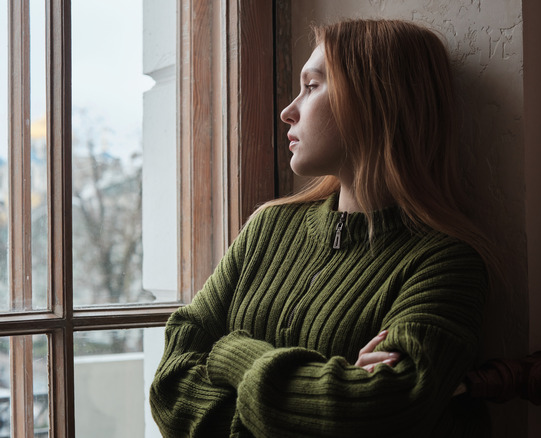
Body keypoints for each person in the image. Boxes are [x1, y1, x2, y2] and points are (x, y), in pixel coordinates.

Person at [150, 18, 496, 437]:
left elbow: (375, 411)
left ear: (373, 101)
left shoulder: (445, 263)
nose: (287, 111)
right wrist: (311, 400)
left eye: (311, 86)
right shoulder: (268, 227)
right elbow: (170, 381)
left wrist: (231, 351)